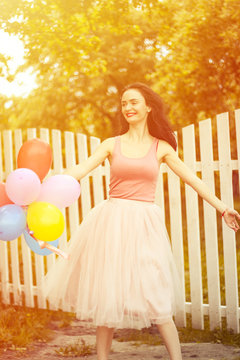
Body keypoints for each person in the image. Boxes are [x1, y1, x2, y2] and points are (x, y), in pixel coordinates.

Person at [42, 83, 240, 360]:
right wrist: (51, 183)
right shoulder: (111, 144)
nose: (128, 108)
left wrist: (222, 208)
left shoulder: (161, 147)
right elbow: (82, 169)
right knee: (107, 294)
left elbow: (192, 179)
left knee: (156, 293)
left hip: (145, 224)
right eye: (124, 103)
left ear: (148, 107)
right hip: (112, 222)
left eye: (133, 102)